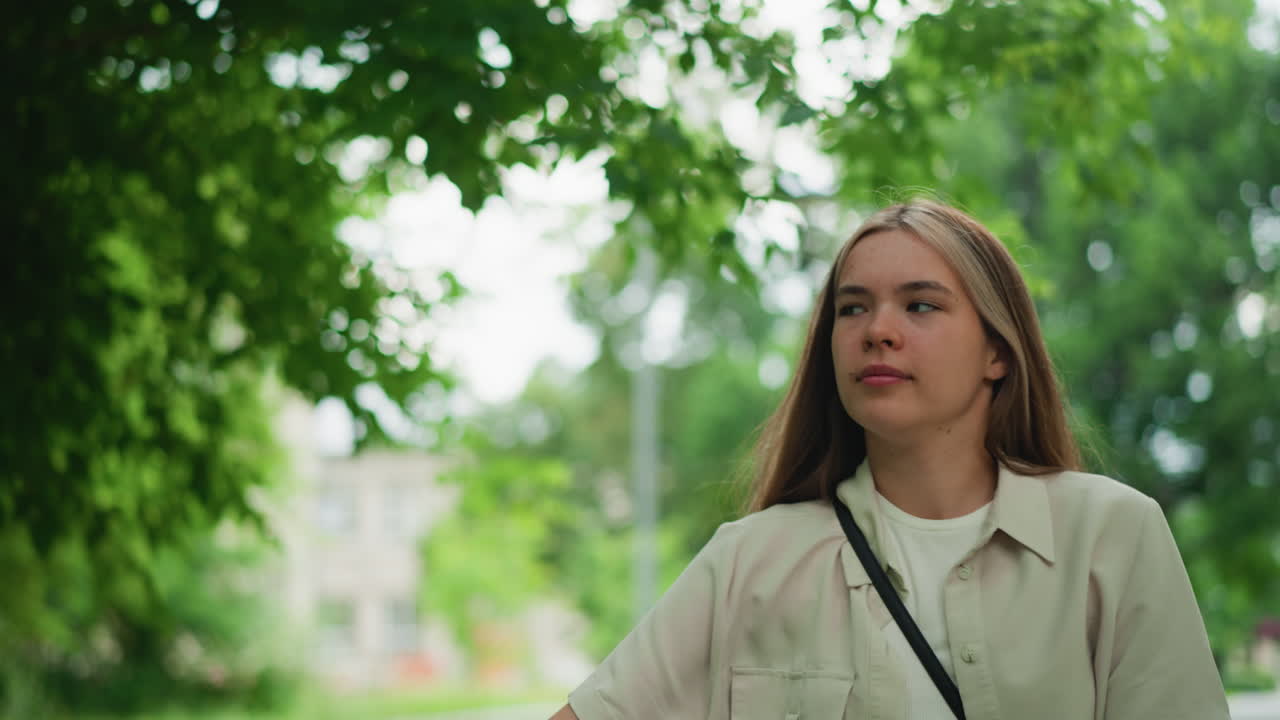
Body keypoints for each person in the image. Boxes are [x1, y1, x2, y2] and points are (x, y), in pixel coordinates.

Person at [549, 198, 1229, 719]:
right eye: (852, 309)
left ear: (997, 352)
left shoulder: (1111, 535)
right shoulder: (747, 562)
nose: (878, 330)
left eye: (920, 305)